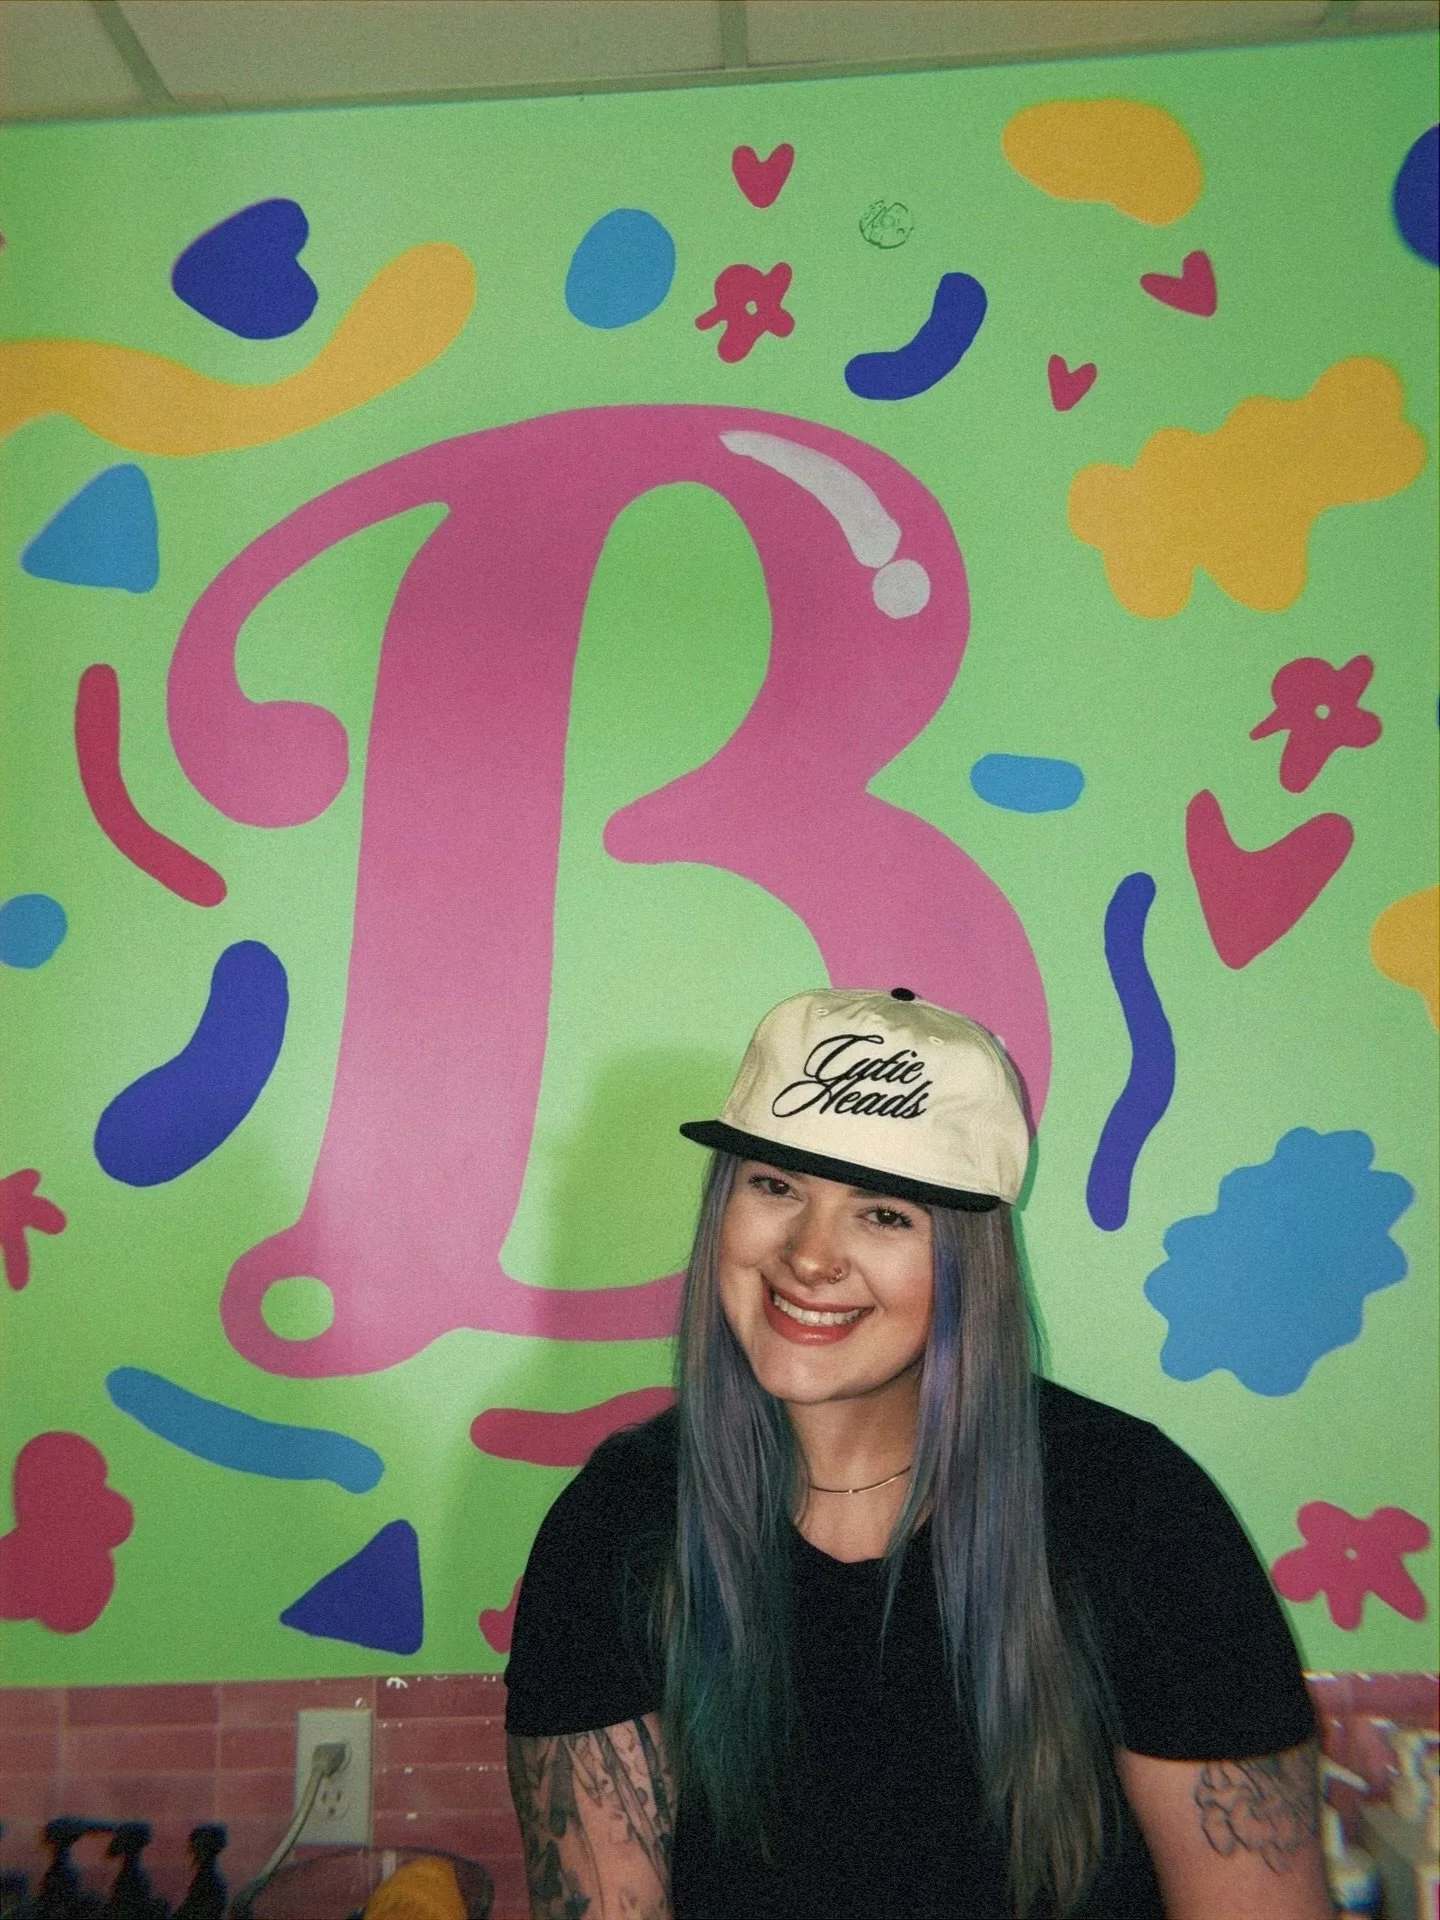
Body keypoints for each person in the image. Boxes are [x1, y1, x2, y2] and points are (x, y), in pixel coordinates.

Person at [504, 987, 1332, 1919]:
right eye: (775, 1186)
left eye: (885, 1213)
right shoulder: (615, 1524)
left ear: (968, 1261)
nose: (811, 1257)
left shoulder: (1139, 1516)